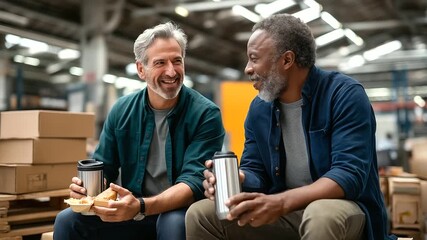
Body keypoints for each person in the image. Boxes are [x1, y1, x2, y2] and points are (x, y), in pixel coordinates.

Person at [186, 14, 396, 240]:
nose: (247, 68)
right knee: (201, 214)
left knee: (320, 214)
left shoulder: (343, 95)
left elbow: (348, 175)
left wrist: (281, 202)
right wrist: (240, 179)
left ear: (287, 60)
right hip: (284, 210)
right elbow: (256, 171)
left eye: (254, 59)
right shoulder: (259, 109)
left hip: (344, 209)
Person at [54, 22, 225, 240]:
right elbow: (103, 166)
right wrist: (85, 192)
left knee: (172, 222)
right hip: (133, 210)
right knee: (68, 220)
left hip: (178, 211)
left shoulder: (205, 114)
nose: (171, 71)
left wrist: (141, 206)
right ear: (141, 69)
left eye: (177, 61)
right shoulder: (122, 110)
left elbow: (192, 182)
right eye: (160, 63)